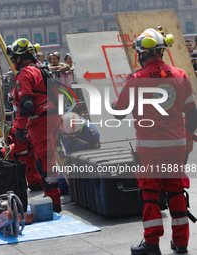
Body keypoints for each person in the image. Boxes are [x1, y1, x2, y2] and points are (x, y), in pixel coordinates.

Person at [113, 28, 197, 255]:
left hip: (150, 149)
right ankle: (181, 243)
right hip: (177, 145)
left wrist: (114, 106)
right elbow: (192, 114)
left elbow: (120, 113)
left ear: (141, 53)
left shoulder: (136, 79)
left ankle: (151, 244)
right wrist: (188, 136)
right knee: (176, 191)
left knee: (150, 193)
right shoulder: (180, 75)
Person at [7, 38, 62, 212]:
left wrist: (20, 128)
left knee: (44, 160)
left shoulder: (25, 73)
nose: (13, 62)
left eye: (14, 58)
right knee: (46, 158)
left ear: (19, 58)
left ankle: (53, 202)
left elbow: (26, 103)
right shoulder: (40, 68)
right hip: (51, 117)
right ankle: (51, 196)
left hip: (40, 120)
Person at [57, 112, 100, 194]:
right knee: (61, 188)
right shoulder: (60, 128)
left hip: (84, 162)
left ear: (79, 129)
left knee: (86, 188)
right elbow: (56, 144)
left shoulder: (91, 133)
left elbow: (94, 156)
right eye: (66, 135)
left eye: (72, 135)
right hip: (69, 159)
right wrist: (62, 157)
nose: (68, 138)